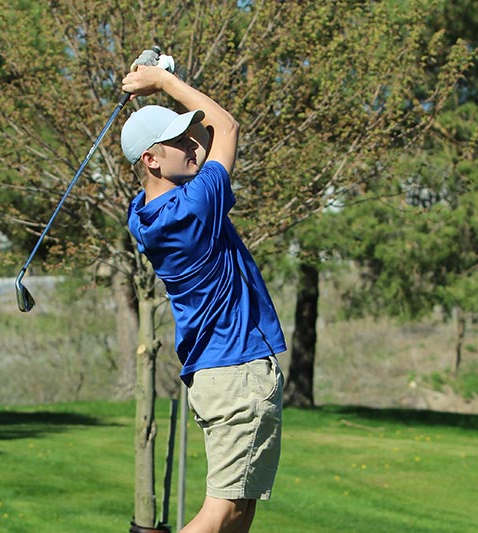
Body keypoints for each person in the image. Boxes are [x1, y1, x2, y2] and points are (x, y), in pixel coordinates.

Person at [121, 62, 287, 533]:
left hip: (216, 373)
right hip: (236, 369)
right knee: (221, 515)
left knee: (239, 511)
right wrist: (164, 83)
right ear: (152, 160)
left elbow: (210, 128)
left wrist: (158, 83)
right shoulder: (194, 206)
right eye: (183, 141)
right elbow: (227, 125)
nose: (199, 144)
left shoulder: (144, 214)